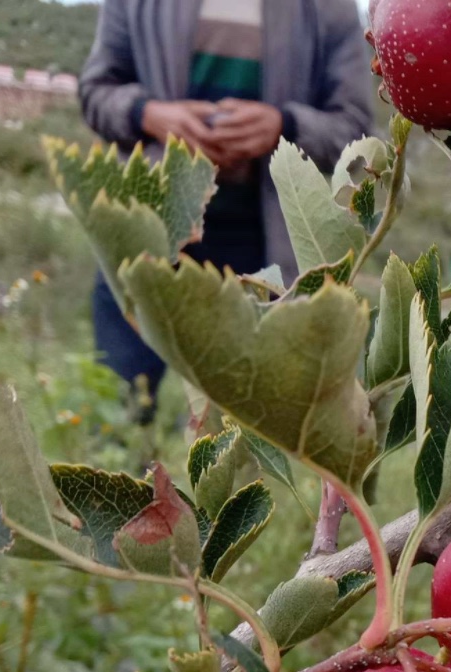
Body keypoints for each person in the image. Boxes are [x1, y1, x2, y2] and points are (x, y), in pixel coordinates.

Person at [79, 0, 376, 423]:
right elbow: (95, 92)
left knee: (234, 434)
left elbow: (355, 130)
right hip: (146, 233)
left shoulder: (327, 9)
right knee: (118, 409)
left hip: (261, 254)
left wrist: (284, 126)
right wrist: (149, 114)